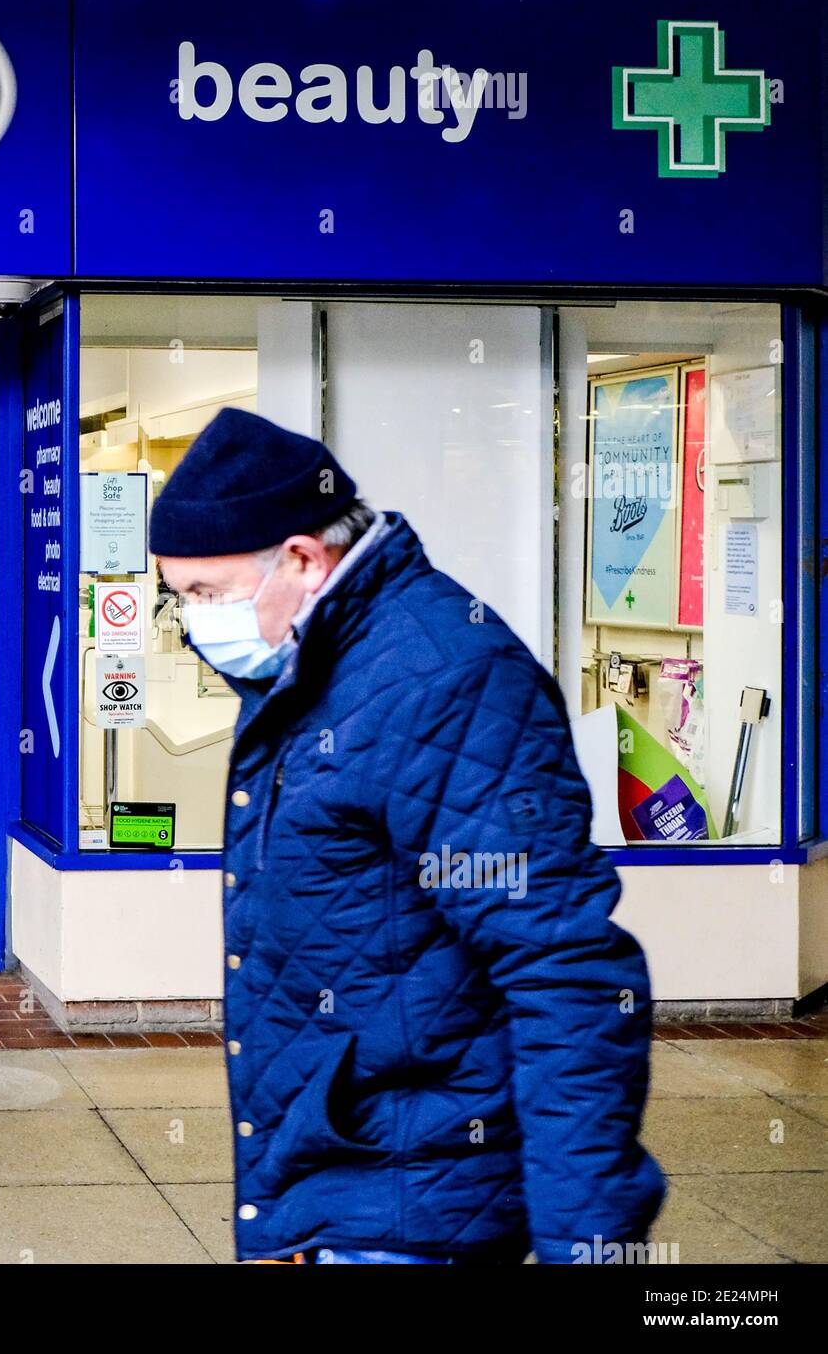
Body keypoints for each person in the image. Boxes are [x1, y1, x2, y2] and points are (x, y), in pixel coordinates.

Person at [148, 407, 665, 1265]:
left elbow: (563, 967)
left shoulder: (444, 681)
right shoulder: (310, 666)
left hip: (416, 1199)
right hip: (330, 1176)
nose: (196, 623)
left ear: (305, 559)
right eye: (179, 599)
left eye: (206, 595)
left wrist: (593, 1245)